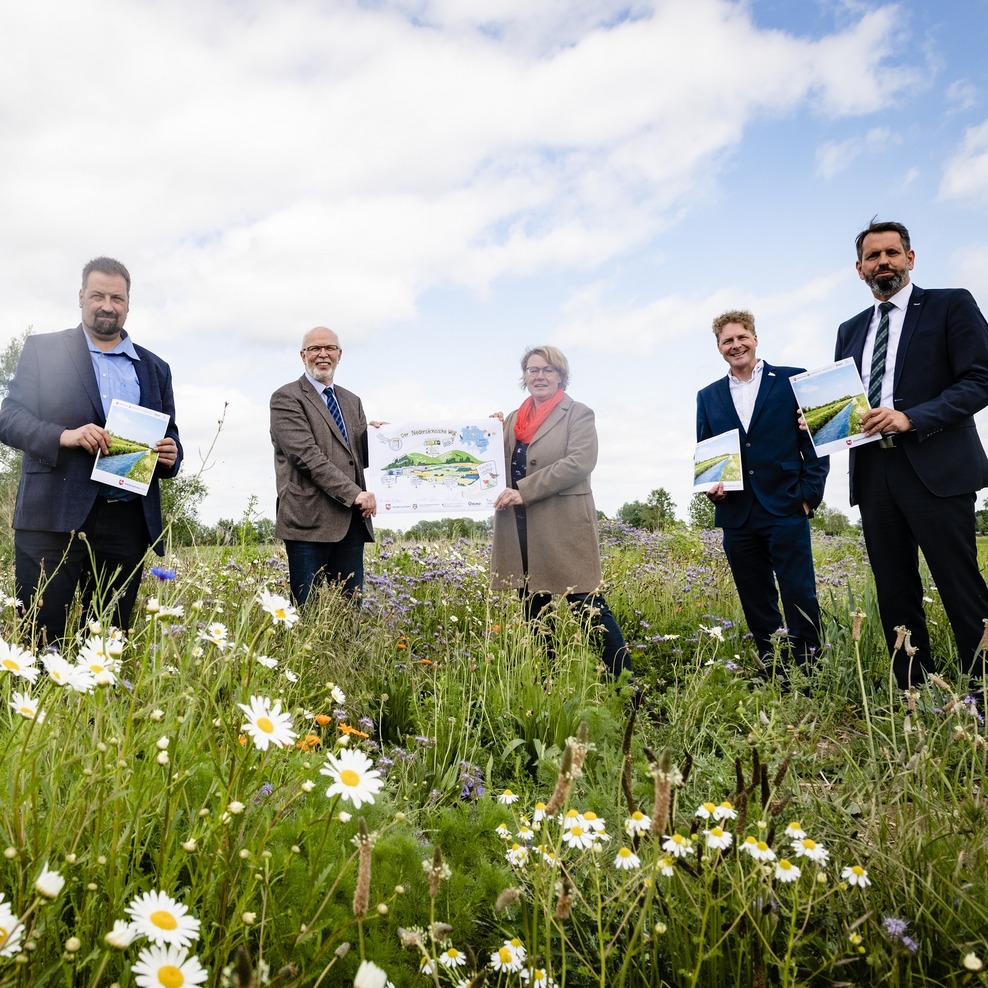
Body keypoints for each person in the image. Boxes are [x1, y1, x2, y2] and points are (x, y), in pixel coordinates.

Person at [836, 219, 988, 686]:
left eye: (892, 253)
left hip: (936, 466)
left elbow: (980, 379)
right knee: (895, 591)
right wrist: (823, 421)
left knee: (960, 585)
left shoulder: (950, 305)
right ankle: (913, 690)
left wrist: (911, 417)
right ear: (859, 269)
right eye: (873, 256)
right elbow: (849, 401)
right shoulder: (849, 329)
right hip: (874, 471)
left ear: (910, 258)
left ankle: (981, 686)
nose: (884, 262)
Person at [0, 257, 182, 644]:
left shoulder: (155, 368)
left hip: (126, 523)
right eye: (98, 295)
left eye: (117, 297)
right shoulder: (42, 350)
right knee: (41, 638)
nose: (107, 305)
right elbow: (9, 418)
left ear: (128, 304)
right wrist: (63, 435)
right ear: (81, 297)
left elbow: (171, 439)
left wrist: (171, 454)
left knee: (105, 644)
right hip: (52, 519)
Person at [697, 310, 829, 668]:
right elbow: (708, 453)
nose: (736, 345)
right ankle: (774, 666)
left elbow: (818, 441)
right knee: (755, 595)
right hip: (737, 514)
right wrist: (713, 486)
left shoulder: (792, 380)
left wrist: (807, 497)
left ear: (755, 339)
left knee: (799, 590)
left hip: (787, 504)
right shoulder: (707, 396)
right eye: (728, 340)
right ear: (719, 347)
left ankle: (808, 670)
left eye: (742, 337)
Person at [491, 345, 631, 678]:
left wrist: (524, 491)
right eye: (532, 370)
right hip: (522, 529)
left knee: (589, 608)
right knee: (536, 611)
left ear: (561, 376)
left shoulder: (578, 413)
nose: (539, 376)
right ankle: (549, 683)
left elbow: (578, 463)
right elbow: (486, 461)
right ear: (524, 377)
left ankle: (626, 685)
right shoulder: (511, 420)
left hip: (565, 526)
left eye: (547, 370)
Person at [270, 326, 376, 606]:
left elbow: (359, 456)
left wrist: (383, 439)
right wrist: (354, 493)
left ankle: (348, 653)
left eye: (329, 348)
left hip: (350, 521)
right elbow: (306, 456)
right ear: (302, 355)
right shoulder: (286, 398)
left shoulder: (352, 401)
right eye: (314, 349)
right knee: (307, 613)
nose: (322, 354)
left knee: (349, 612)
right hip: (308, 522)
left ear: (339, 354)